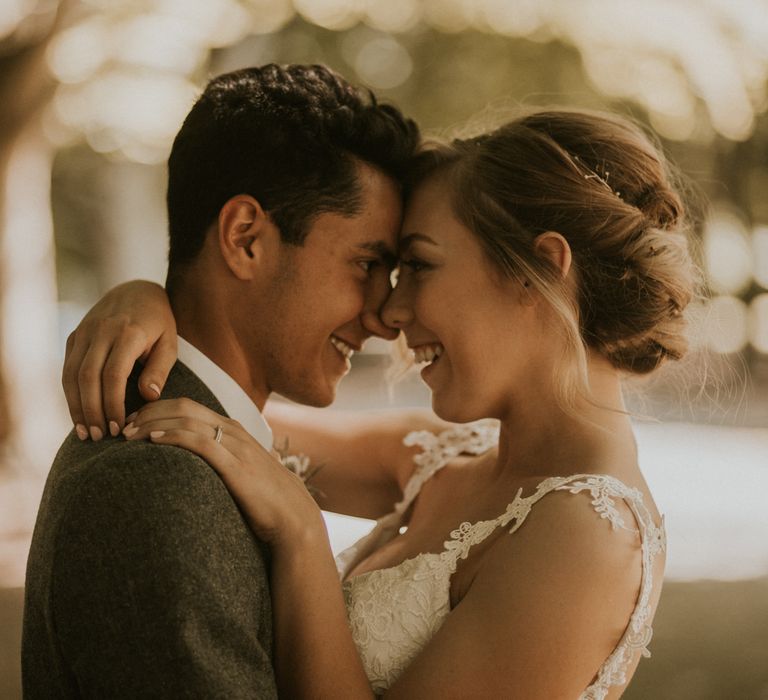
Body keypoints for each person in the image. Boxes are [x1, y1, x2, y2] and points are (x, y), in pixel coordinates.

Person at [61, 109, 698, 698]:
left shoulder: (589, 536)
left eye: (418, 266)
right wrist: (150, 301)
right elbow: (214, 412)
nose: (390, 313)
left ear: (538, 272)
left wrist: (303, 536)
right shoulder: (442, 456)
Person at [22, 63, 420, 698]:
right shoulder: (158, 483)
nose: (384, 317)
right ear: (246, 238)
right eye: (367, 263)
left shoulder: (212, 442)